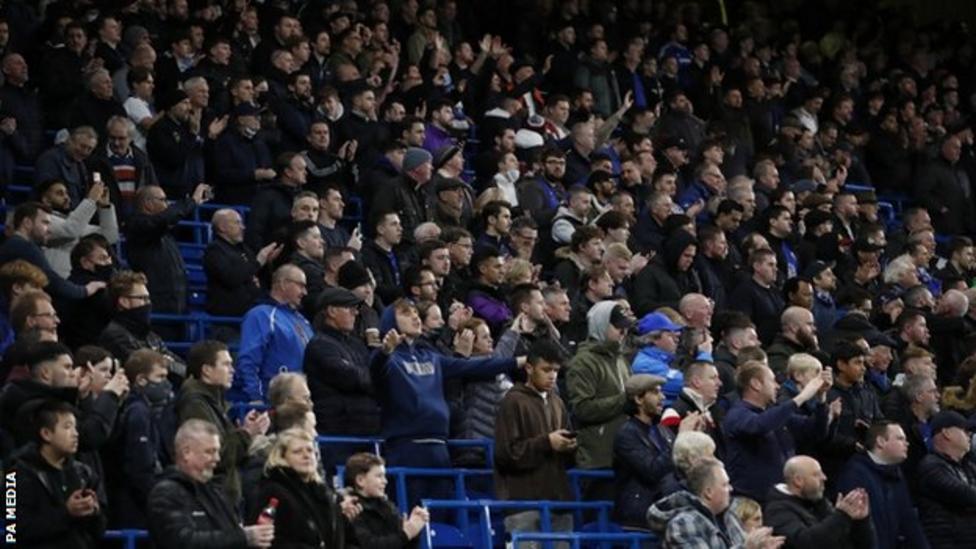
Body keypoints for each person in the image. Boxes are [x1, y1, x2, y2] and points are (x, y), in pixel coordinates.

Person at [371, 298, 522, 502]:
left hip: (440, 449)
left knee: (442, 516)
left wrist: (517, 362)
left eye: (415, 312)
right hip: (407, 448)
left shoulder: (430, 357)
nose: (415, 316)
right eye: (406, 313)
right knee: (412, 513)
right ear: (390, 322)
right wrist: (384, 352)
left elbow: (474, 366)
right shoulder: (390, 359)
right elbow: (376, 371)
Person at [147, 419, 275, 548]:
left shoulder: (215, 491)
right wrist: (244, 537)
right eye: (210, 452)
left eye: (217, 451)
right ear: (186, 453)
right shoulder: (165, 494)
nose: (217, 459)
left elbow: (231, 534)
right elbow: (182, 542)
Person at [494, 339, 576, 541]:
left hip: (558, 502)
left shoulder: (558, 402)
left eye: (556, 370)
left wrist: (570, 447)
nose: (552, 375)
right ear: (529, 368)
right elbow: (506, 454)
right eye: (546, 369)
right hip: (523, 504)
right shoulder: (512, 401)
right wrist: (547, 443)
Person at [177, 340, 270, 507]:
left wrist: (243, 430)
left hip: (221, 496)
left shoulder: (214, 402)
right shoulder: (195, 404)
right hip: (211, 497)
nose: (232, 370)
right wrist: (247, 433)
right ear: (206, 370)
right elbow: (216, 455)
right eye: (226, 364)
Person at [723, 361, 831, 502]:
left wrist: (821, 399)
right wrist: (802, 396)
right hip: (751, 502)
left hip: (779, 498)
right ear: (756, 384)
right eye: (772, 381)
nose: (777, 386)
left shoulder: (774, 413)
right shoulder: (736, 414)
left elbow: (815, 431)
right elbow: (760, 425)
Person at [10, 399, 107, 548]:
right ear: (46, 433)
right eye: (67, 427)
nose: (75, 434)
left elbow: (99, 531)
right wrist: (66, 513)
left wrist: (94, 511)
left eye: (76, 427)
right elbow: (13, 531)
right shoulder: (16, 474)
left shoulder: (84, 473)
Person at [613, 373, 703, 529]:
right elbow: (652, 471)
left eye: (661, 392)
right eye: (655, 392)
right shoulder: (626, 434)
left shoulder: (662, 430)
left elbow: (681, 467)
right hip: (641, 509)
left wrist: (694, 437)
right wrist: (680, 437)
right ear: (638, 399)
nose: (662, 397)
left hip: (668, 504)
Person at [646, 457, 784, 548]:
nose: (731, 489)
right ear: (708, 492)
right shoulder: (683, 523)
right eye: (725, 485)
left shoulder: (729, 516)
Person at [834, 421, 930, 549]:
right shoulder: (855, 474)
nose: (907, 443)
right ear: (881, 442)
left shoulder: (896, 474)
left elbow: (909, 521)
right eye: (900, 438)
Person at [251, 428, 352, 548]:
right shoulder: (273, 492)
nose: (306, 455)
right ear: (282, 457)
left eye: (310, 450)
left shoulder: (325, 494)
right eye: (297, 451)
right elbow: (270, 541)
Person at [105, 349, 170, 528]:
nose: (166, 384)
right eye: (160, 377)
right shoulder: (138, 412)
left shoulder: (139, 408)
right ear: (141, 380)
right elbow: (139, 465)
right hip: (132, 506)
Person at [231, 265, 314, 403]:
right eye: (300, 285)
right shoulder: (260, 315)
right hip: (274, 403)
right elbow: (248, 361)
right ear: (282, 283)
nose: (304, 292)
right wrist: (255, 397)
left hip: (302, 400)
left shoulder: (302, 319)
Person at [126, 183, 211, 315]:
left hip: (178, 308)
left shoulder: (165, 234)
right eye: (163, 200)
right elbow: (165, 218)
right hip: (155, 309)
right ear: (148, 203)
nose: (167, 205)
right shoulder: (138, 226)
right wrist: (192, 201)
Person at [0, 202, 105, 302]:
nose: (49, 229)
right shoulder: (24, 247)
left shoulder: (15, 244)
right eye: (45, 223)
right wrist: (86, 290)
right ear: (27, 223)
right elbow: (52, 281)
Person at [763, 455, 876, 548]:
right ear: (798, 480)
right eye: (816, 474)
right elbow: (806, 543)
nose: (824, 477)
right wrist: (842, 516)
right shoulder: (777, 511)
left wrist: (860, 522)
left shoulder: (820, 502)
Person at [917, 410, 976, 548]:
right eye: (964, 430)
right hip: (949, 542)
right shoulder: (930, 466)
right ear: (947, 433)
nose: (969, 434)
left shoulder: (968, 465)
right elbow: (964, 494)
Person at [345, 452, 430, 547]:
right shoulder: (350, 510)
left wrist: (414, 531)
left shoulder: (387, 506)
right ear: (360, 480)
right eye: (379, 476)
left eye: (384, 476)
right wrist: (406, 534)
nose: (385, 481)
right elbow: (369, 545)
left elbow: (403, 543)